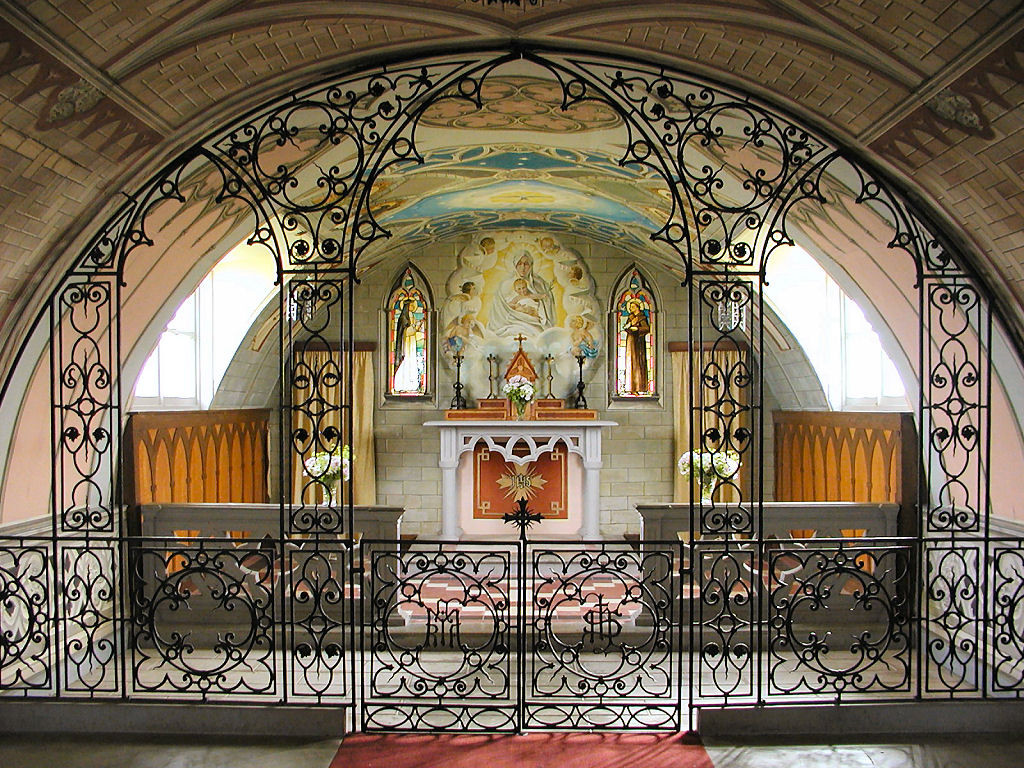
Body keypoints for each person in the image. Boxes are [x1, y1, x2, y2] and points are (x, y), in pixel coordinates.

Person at [487, 251, 556, 336]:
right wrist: (518, 309)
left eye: (526, 264)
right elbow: (500, 308)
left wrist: (537, 308)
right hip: (512, 321)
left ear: (531, 265)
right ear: (515, 265)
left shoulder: (540, 283)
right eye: (519, 264)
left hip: (534, 321)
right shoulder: (505, 284)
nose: (522, 268)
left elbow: (546, 302)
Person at [392, 298, 421, 392]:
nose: (412, 307)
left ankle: (411, 385)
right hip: (406, 344)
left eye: (413, 305)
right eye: (411, 305)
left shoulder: (411, 316)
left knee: (411, 362)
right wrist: (415, 327)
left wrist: (417, 326)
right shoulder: (404, 317)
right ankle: (402, 384)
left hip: (412, 343)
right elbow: (405, 332)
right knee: (406, 362)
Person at [622, 299, 650, 393]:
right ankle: (630, 387)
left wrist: (637, 329)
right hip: (630, 341)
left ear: (637, 307)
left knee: (638, 362)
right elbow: (625, 326)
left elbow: (646, 328)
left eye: (632, 306)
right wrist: (629, 327)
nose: (630, 308)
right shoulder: (631, 317)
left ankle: (639, 387)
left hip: (638, 342)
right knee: (630, 362)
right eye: (630, 307)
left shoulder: (642, 317)